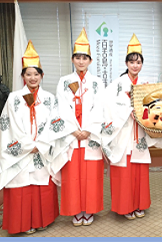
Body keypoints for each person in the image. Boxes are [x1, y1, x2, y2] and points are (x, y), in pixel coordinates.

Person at [0, 40, 59, 235]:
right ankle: (23, 223)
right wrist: (26, 145)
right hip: (21, 151)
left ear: (42, 75)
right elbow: (8, 126)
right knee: (21, 185)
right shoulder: (14, 98)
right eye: (28, 74)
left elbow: (55, 125)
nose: (32, 78)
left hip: (41, 149)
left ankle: (43, 219)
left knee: (41, 183)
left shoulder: (49, 99)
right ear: (23, 76)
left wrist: (40, 144)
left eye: (36, 74)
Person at [39, 28, 105, 227]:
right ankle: (75, 210)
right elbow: (61, 107)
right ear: (72, 59)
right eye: (78, 57)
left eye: (85, 57)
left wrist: (88, 130)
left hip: (90, 135)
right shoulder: (64, 81)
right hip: (71, 135)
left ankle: (89, 209)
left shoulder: (97, 82)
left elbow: (99, 107)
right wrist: (73, 130)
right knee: (73, 175)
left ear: (91, 61)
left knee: (91, 175)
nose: (81, 61)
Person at [101, 34, 162, 220]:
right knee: (124, 171)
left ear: (142, 64)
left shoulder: (146, 84)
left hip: (139, 132)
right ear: (126, 63)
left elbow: (156, 104)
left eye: (138, 62)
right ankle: (125, 206)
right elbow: (109, 107)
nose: (135, 65)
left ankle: (139, 204)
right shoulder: (116, 85)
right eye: (131, 62)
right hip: (123, 131)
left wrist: (144, 113)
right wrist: (129, 111)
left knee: (139, 170)